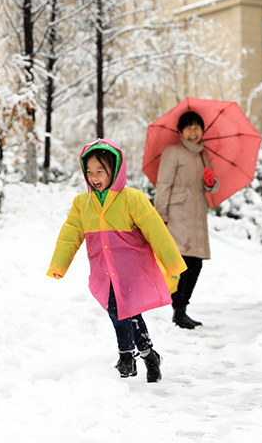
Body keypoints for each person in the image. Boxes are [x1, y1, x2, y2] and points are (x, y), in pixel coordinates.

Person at [47, 138, 186, 383]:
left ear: (115, 170)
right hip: (103, 269)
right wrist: (59, 264)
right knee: (126, 310)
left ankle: (126, 356)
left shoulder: (132, 198)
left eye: (100, 171)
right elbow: (70, 235)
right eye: (89, 171)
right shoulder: (82, 203)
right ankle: (149, 355)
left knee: (119, 309)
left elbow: (156, 232)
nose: (94, 177)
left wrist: (172, 263)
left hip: (131, 269)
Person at [154, 111, 220, 329]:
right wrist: (160, 215)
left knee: (196, 263)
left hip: (197, 214)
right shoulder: (172, 152)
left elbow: (212, 186)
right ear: (180, 131)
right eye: (188, 127)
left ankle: (181, 308)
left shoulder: (203, 154)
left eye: (197, 127)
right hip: (177, 214)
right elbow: (163, 184)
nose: (193, 131)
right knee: (182, 262)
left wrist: (211, 182)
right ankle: (178, 310)